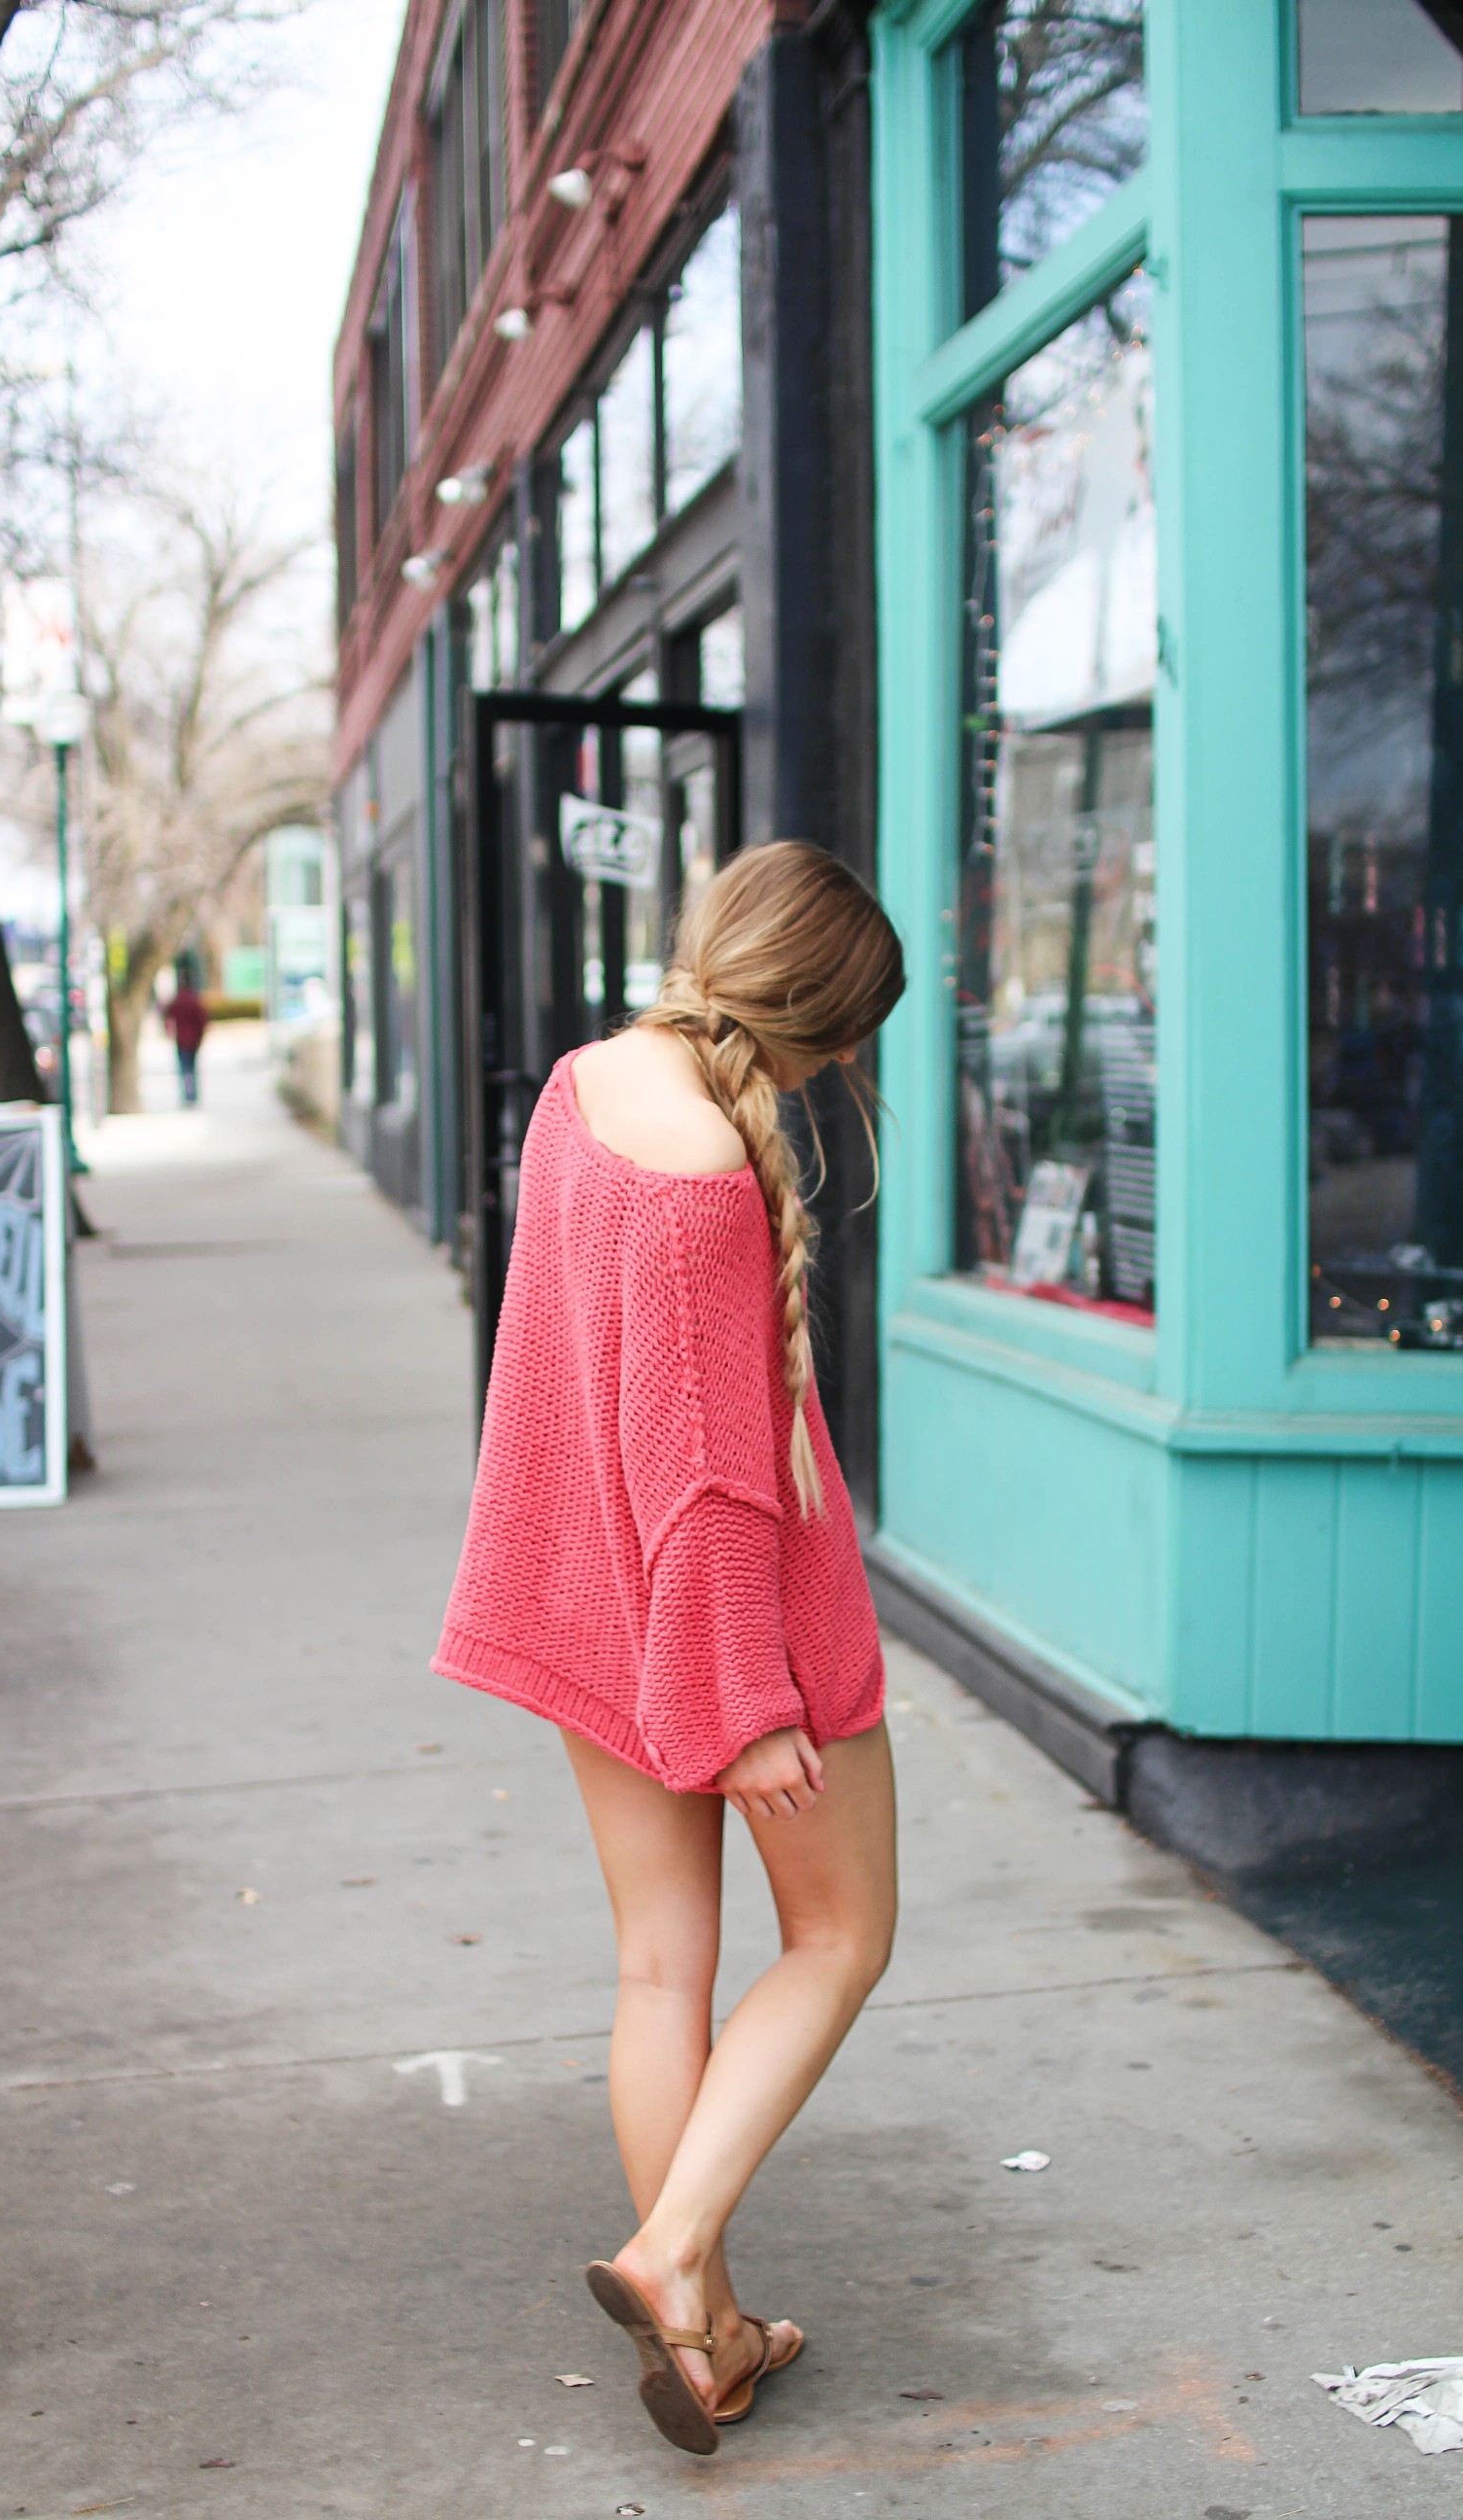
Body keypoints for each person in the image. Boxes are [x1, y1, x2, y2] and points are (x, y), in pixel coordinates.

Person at [434, 841, 906, 2457]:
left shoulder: (576, 1086)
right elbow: (711, 1477)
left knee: (661, 1966)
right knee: (841, 1935)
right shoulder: (711, 1169)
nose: (848, 1072)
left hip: (591, 1600)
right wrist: (747, 1705)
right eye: (854, 1042)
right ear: (823, 1022)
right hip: (722, 1628)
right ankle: (669, 2251)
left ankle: (701, 2341)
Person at [163, 972, 209, 1105]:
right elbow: (202, 1021)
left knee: (184, 1068)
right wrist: (201, 1036)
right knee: (192, 1068)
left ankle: (186, 1095)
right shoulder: (194, 1001)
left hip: (181, 1039)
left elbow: (167, 1015)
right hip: (194, 1040)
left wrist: (168, 1031)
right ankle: (192, 1095)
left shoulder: (177, 1001)